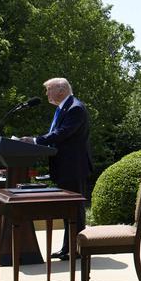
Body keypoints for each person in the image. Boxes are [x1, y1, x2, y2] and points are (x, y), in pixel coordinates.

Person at [23, 78, 93, 260]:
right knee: (67, 209)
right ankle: (67, 248)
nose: (46, 93)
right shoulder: (64, 107)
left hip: (73, 167)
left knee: (75, 209)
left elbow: (62, 133)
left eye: (48, 89)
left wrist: (36, 141)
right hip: (65, 167)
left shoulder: (75, 108)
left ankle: (76, 249)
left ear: (61, 90)